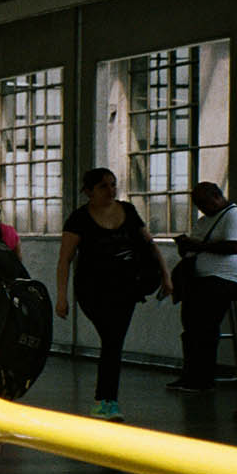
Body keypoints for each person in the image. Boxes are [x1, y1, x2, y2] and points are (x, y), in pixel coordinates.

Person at [56, 167, 170, 421]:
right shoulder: (79, 219)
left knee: (113, 341)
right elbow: (64, 260)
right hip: (93, 290)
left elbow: (149, 243)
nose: (110, 191)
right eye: (103, 186)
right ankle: (105, 399)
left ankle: (107, 401)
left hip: (126, 287)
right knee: (112, 338)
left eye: (113, 185)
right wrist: (61, 297)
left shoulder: (127, 211)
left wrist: (166, 275)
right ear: (88, 191)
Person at [169, 181, 237, 394]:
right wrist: (185, 247)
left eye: (204, 203)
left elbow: (234, 246)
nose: (201, 208)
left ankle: (203, 380)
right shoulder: (204, 221)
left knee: (205, 328)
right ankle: (190, 375)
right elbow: (191, 252)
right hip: (197, 279)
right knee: (191, 328)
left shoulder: (236, 215)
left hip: (222, 278)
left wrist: (198, 245)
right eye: (197, 204)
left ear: (217, 196)